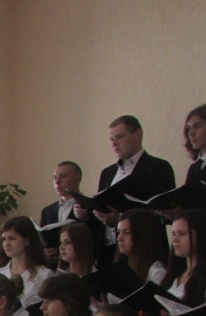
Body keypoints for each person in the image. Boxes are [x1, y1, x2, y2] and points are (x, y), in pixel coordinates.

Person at [76, 115, 176, 263]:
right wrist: (87, 214)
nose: (114, 143)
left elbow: (164, 213)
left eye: (120, 137)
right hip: (108, 252)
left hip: (143, 251)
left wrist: (120, 218)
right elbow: (102, 209)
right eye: (111, 139)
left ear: (138, 134)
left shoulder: (158, 167)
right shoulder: (108, 173)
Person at [0, 216, 54, 316]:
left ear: (27, 240)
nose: (6, 244)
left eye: (12, 238)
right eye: (4, 239)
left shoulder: (44, 275)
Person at [40, 161, 102, 268]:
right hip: (54, 267)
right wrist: (45, 252)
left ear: (78, 179)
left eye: (63, 176)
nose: (57, 181)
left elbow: (97, 237)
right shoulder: (47, 211)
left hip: (82, 265)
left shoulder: (91, 205)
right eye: (55, 177)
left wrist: (87, 218)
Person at [114, 208, 168, 285]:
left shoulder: (157, 272)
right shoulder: (124, 266)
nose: (119, 238)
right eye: (119, 232)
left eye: (127, 233)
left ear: (143, 236)